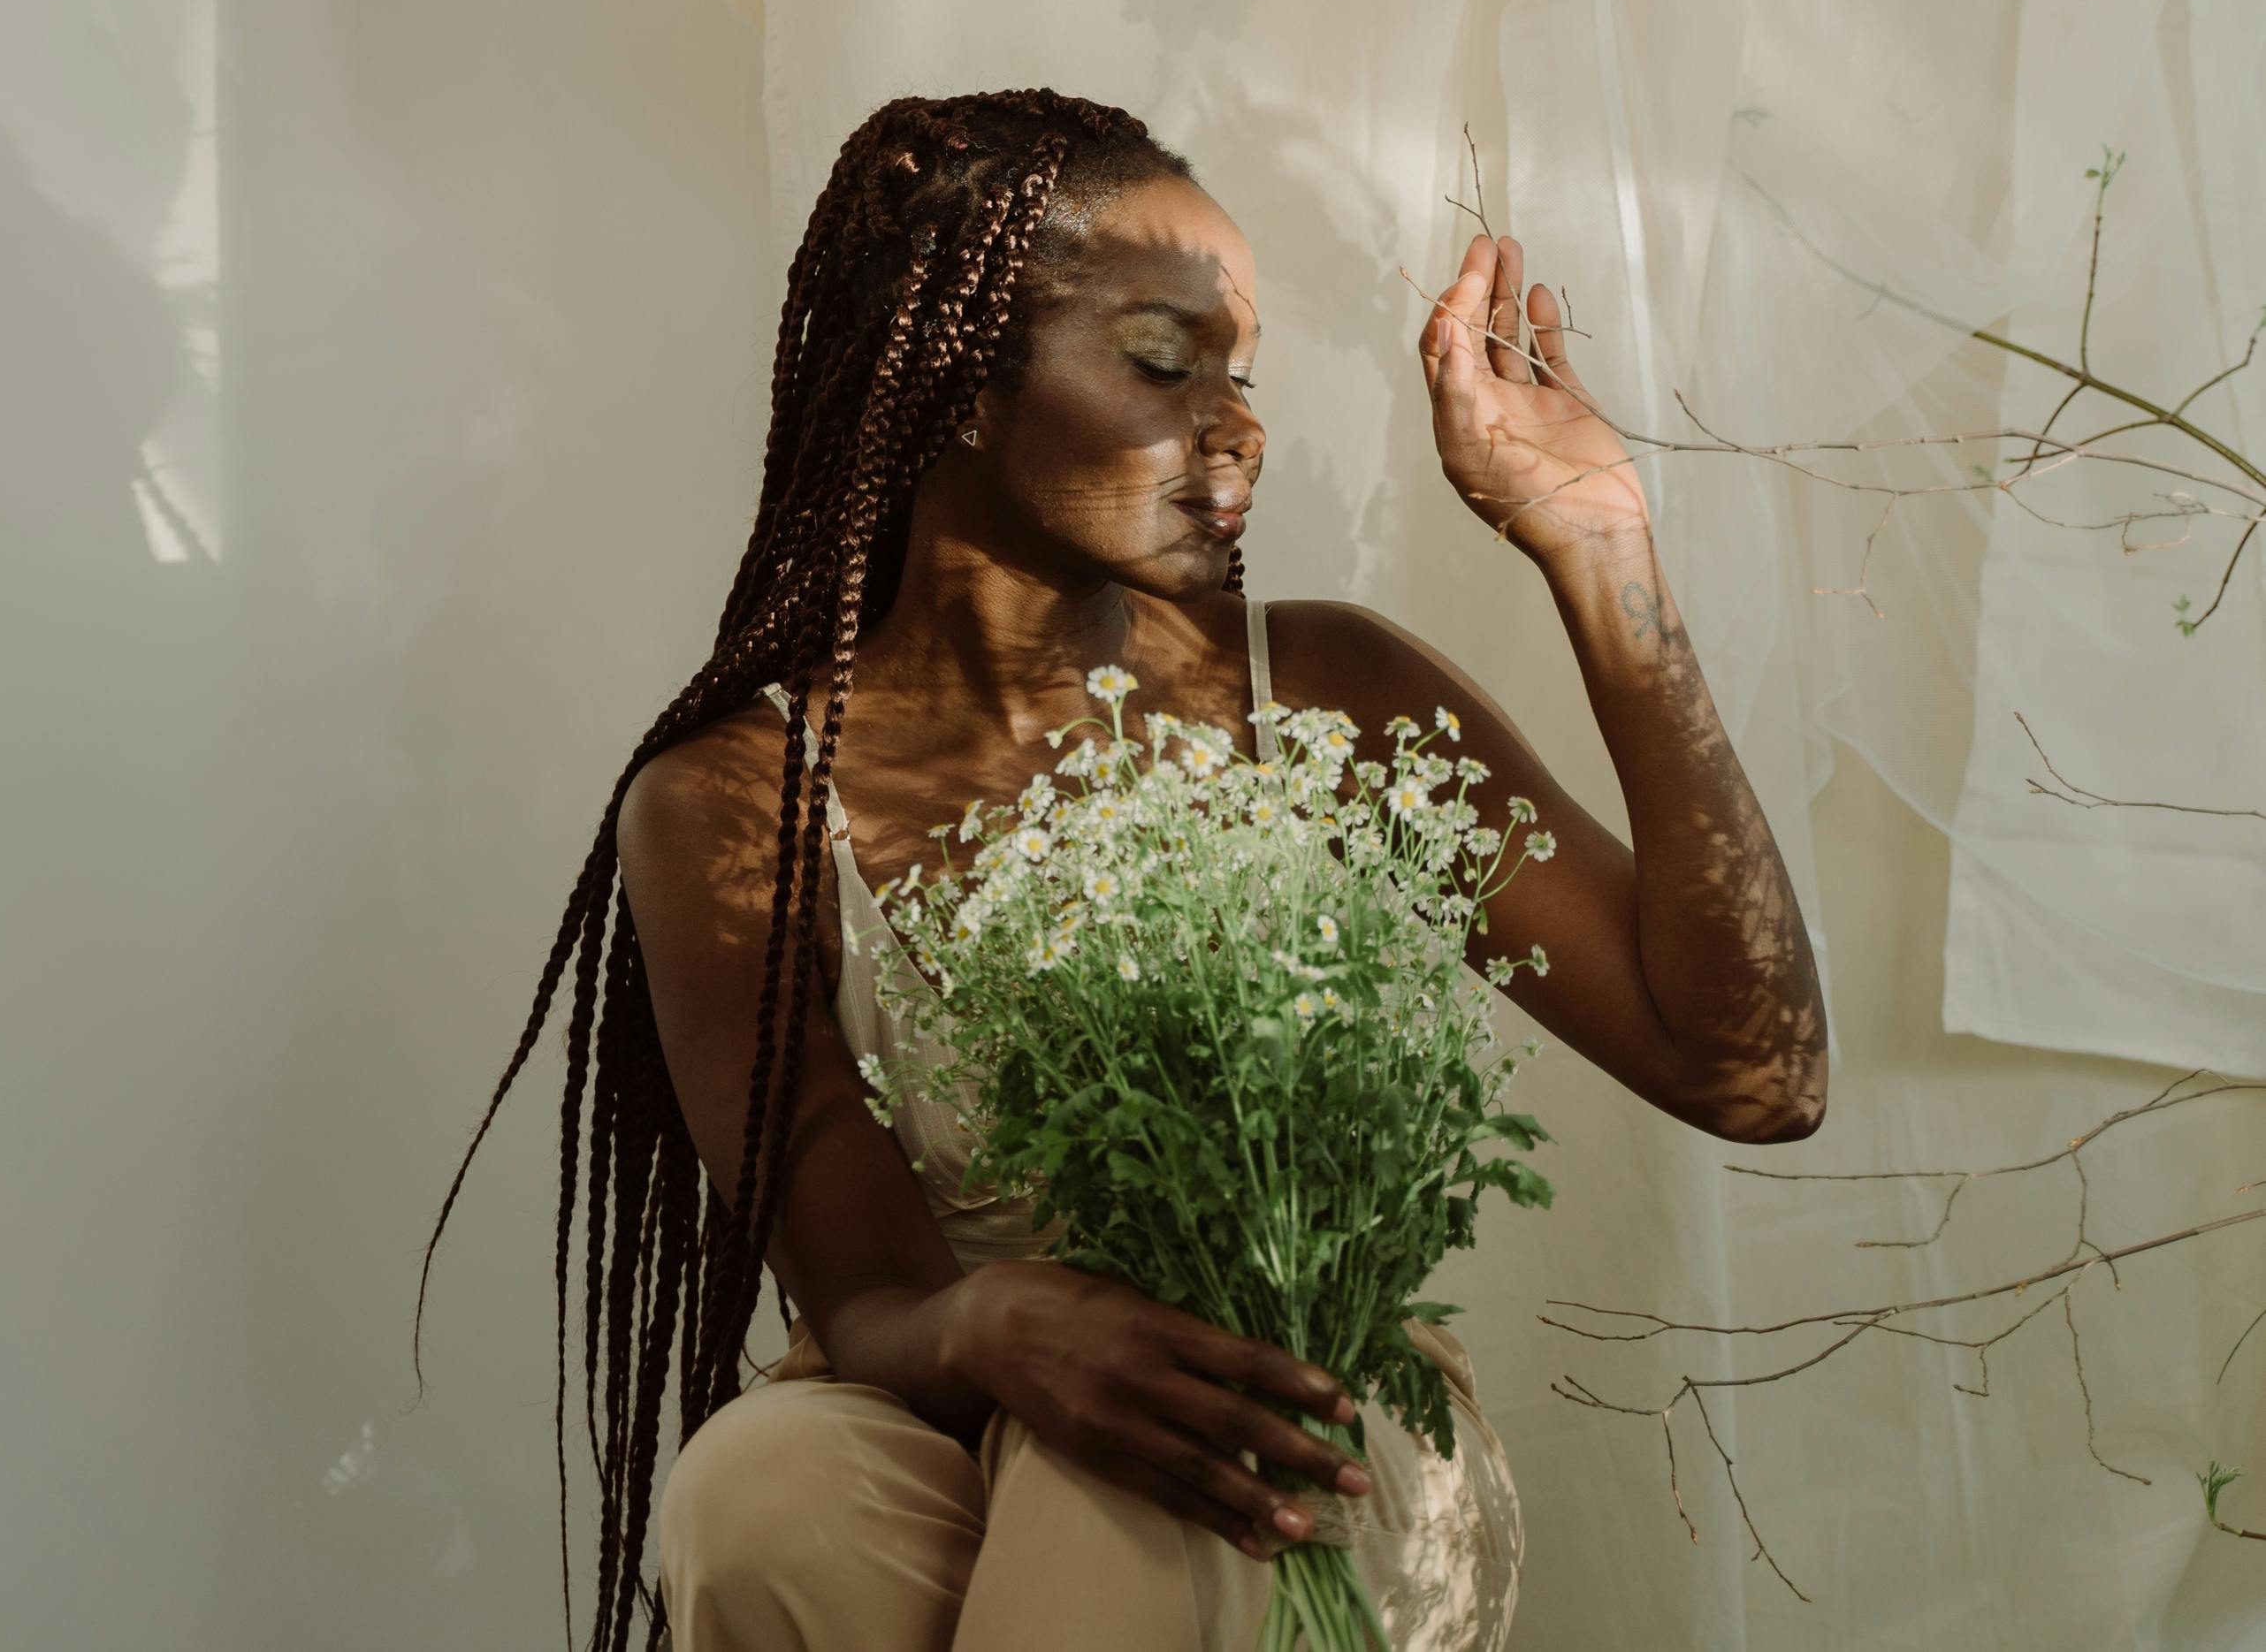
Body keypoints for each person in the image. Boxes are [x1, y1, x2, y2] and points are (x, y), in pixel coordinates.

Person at [424, 90, 1828, 1651]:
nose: (1241, 421)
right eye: (1168, 363)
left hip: (1290, 1405)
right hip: (952, 1408)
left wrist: (1602, 553)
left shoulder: (1325, 696)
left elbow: (1755, 1071)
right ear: (962, 380)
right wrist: (991, 1319)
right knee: (756, 1494)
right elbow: (869, 1289)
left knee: (1141, 1488)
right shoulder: (730, 801)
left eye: (1243, 374)